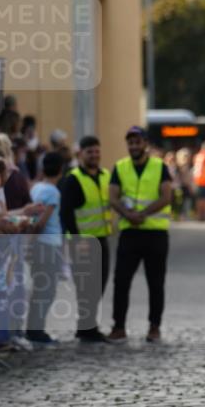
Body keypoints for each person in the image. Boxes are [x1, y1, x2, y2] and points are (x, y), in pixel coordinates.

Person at [108, 126, 172, 344]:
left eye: (137, 142)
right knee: (121, 280)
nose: (134, 146)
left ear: (145, 143)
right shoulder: (120, 167)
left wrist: (143, 214)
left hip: (155, 232)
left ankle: (154, 327)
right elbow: (113, 197)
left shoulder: (160, 166)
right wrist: (128, 215)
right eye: (130, 142)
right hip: (130, 232)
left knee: (155, 282)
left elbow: (166, 196)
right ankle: (118, 327)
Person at [60, 135, 112, 343]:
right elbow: (66, 213)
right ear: (81, 154)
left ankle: (87, 324)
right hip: (82, 241)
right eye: (90, 151)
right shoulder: (72, 179)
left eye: (97, 151)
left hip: (102, 238)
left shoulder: (106, 175)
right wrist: (76, 239)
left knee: (100, 282)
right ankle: (87, 326)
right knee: (85, 285)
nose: (94, 155)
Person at [26, 151, 65, 346]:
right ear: (61, 170)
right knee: (46, 290)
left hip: (41, 244)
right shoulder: (53, 192)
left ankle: (34, 327)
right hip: (49, 244)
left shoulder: (36, 188)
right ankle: (36, 329)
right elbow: (42, 221)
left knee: (39, 288)